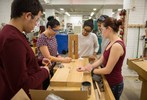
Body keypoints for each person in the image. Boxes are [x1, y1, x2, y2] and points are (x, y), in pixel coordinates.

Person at [0, 0, 51, 99]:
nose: (36, 24)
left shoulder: (11, 33)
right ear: (27, 16)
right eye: (36, 20)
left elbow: (18, 63)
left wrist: (39, 61)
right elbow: (22, 86)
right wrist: (45, 71)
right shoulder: (13, 39)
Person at [77, 17, 126, 100]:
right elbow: (101, 60)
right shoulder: (111, 42)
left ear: (109, 29)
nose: (101, 32)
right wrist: (86, 67)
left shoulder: (117, 46)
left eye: (102, 29)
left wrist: (91, 70)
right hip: (107, 80)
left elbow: (107, 70)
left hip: (114, 83)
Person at [37, 16, 72, 89]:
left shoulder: (52, 36)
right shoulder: (42, 38)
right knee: (46, 87)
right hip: (45, 67)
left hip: (53, 65)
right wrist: (63, 60)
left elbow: (55, 50)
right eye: (55, 30)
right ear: (49, 27)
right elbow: (48, 57)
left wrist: (58, 55)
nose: (56, 33)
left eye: (58, 31)